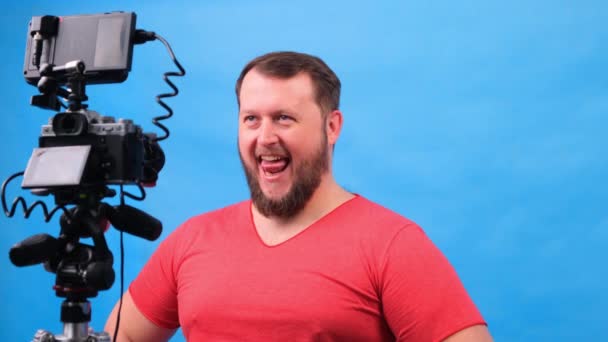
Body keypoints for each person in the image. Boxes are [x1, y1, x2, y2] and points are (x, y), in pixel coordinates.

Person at [105, 51, 492, 341]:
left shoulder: (392, 245)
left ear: (332, 127)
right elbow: (122, 335)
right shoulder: (193, 239)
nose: (265, 137)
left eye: (284, 118)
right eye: (251, 119)